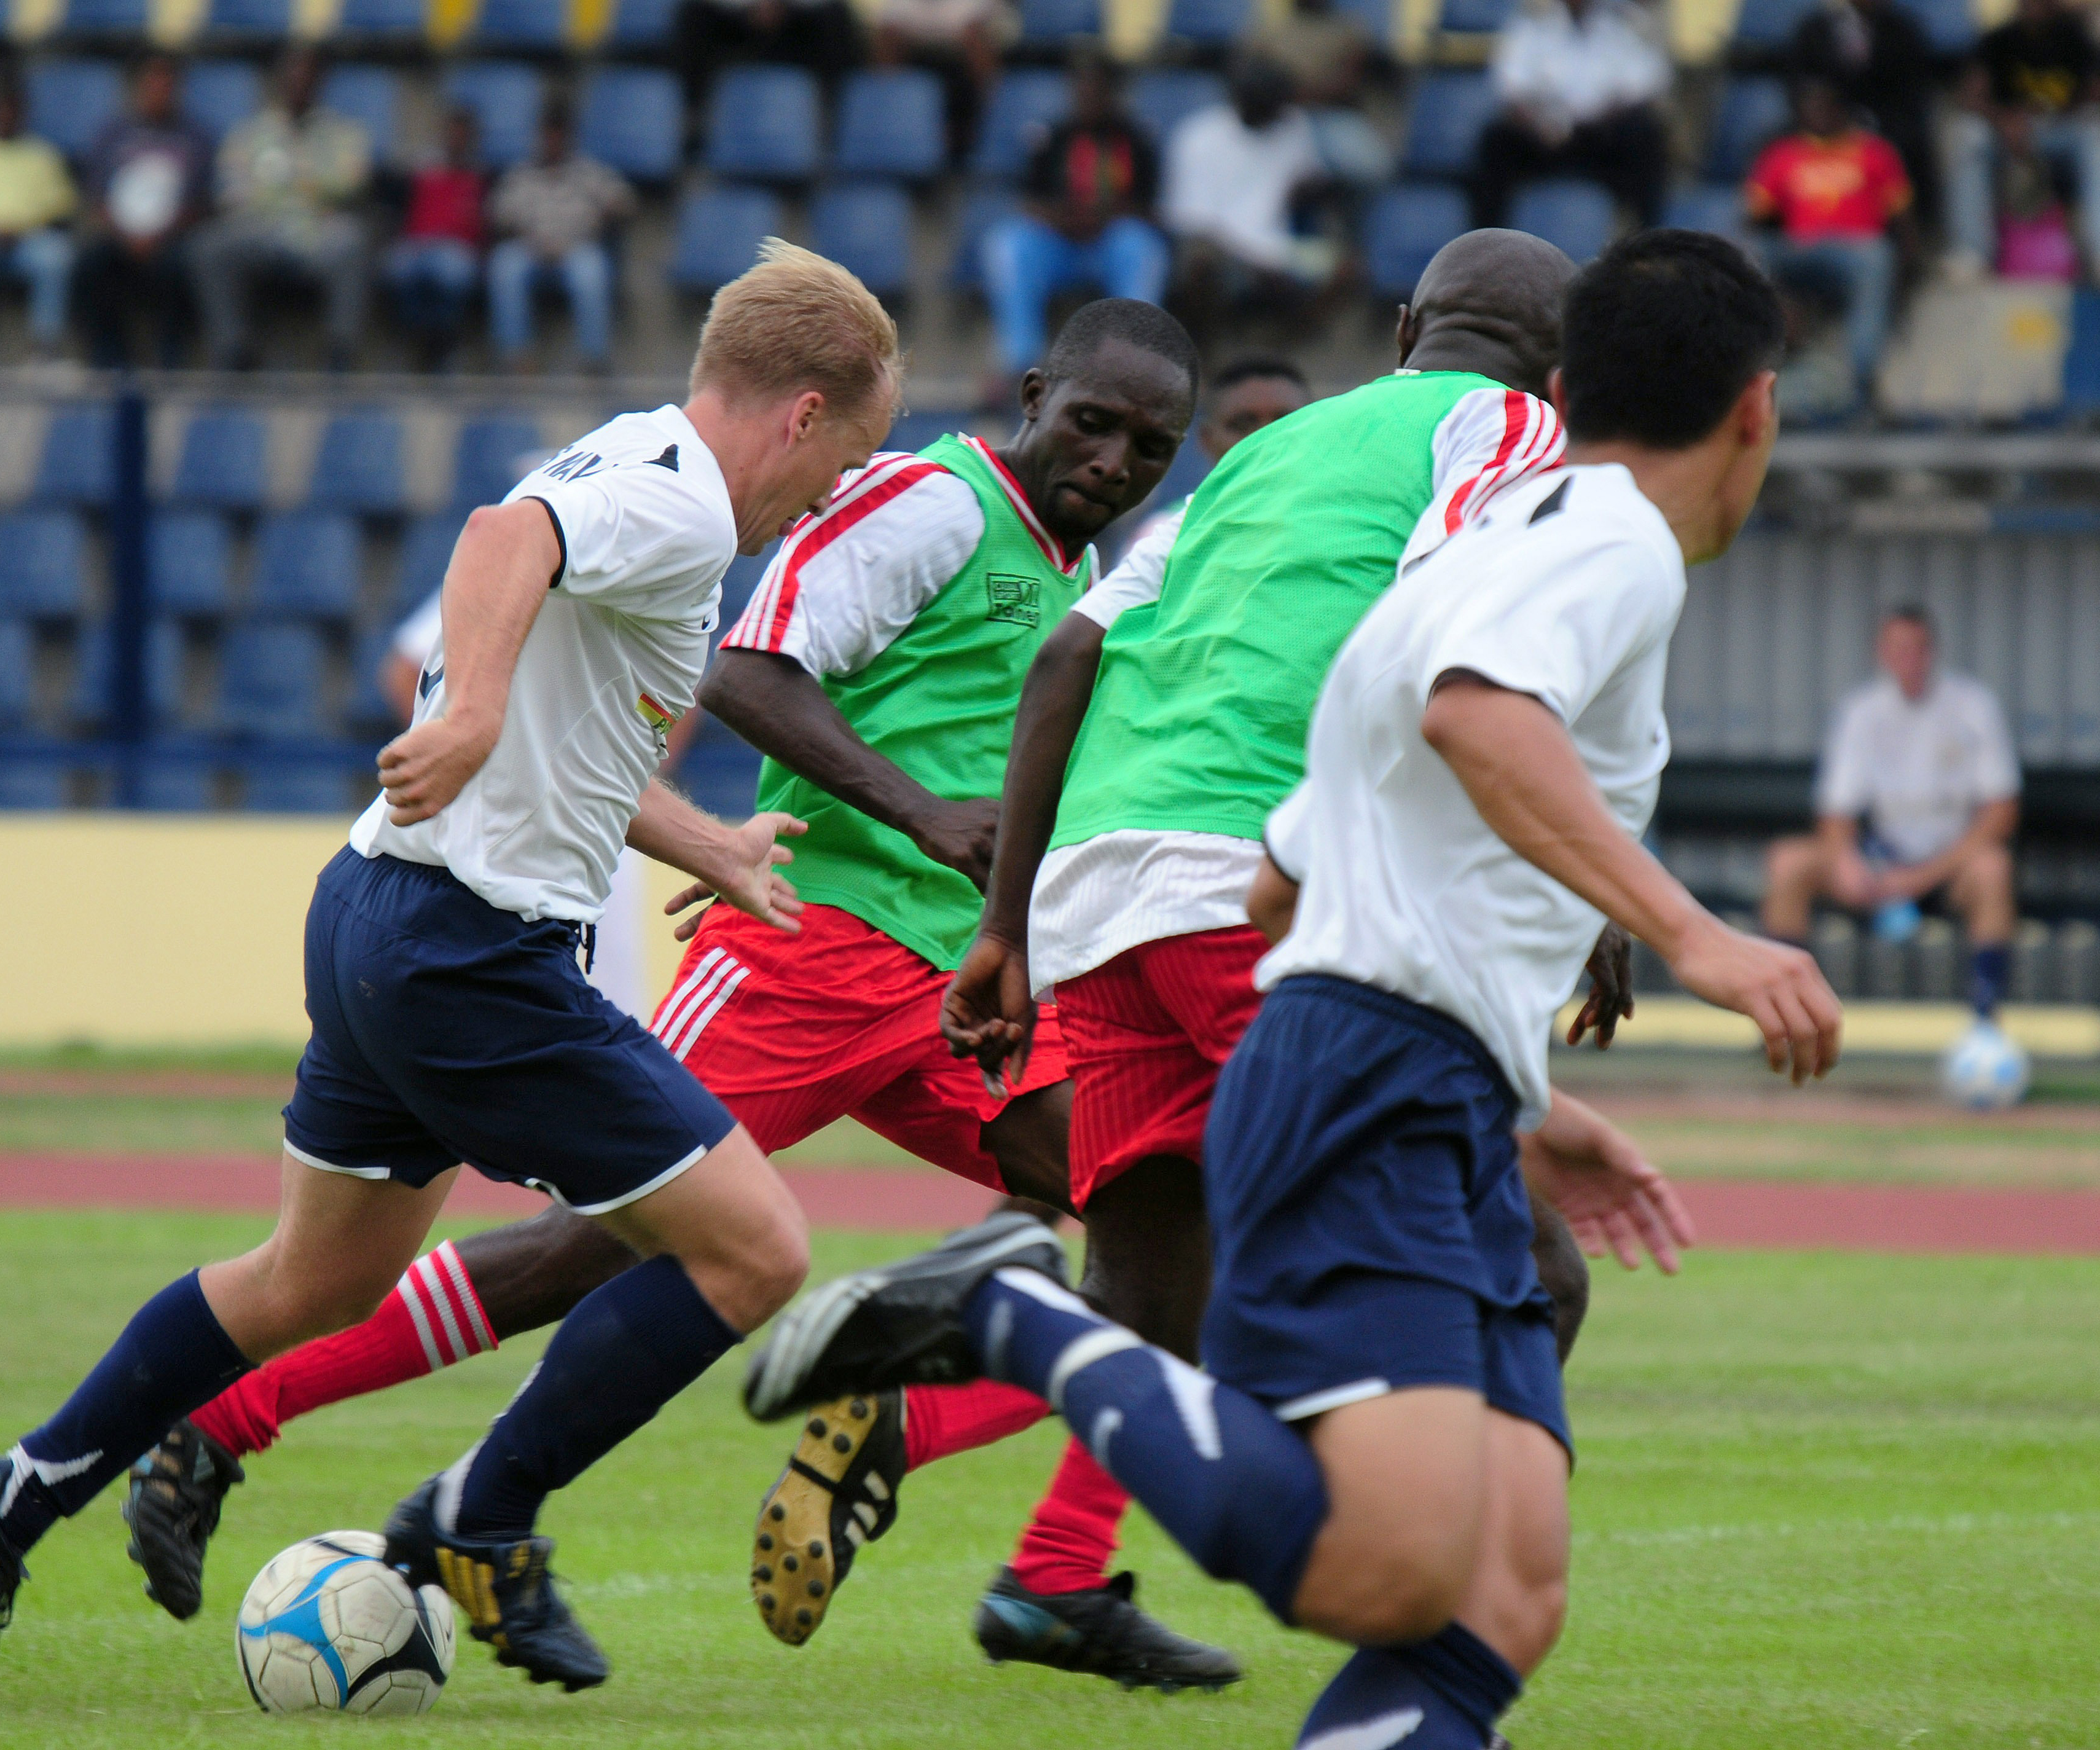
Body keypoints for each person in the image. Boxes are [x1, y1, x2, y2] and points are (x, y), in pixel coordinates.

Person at [744, 227, 1845, 1750]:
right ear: (1750, 410)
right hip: (1263, 931)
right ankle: (1005, 1314)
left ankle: (1058, 1551)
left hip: (1111, 892)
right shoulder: (1536, 462)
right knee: (1460, 1406)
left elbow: (1078, 653)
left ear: (1406, 326)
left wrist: (1012, 926)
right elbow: (1462, 684)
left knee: (1203, 1340)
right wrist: (1677, 926)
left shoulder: (1277, 450)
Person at [119, 300, 1239, 1693]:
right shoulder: (933, 502)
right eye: (1094, 421)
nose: (1117, 457)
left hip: (959, 984)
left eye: (1150, 443)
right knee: (594, 1248)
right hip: (811, 953)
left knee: (1161, 1234)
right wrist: (913, 813)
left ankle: (939, 1468)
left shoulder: (1078, 564)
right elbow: (753, 671)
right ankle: (230, 1417)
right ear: (1034, 394)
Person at [0, 241, 903, 1695]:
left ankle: (18, 1496)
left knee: (313, 1278)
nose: (824, 498)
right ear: (801, 414)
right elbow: (502, 533)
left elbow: (584, 727)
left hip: (375, 913)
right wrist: (470, 701)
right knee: (757, 1248)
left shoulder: (641, 457)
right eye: (839, 464)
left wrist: (710, 845)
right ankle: (484, 1516)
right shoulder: (678, 504)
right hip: (472, 953)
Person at [1763, 603, 2021, 1020]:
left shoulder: (1974, 705)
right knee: (1787, 861)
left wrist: (1920, 877)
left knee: (1993, 868)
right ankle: (1788, 1015)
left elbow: (2001, 813)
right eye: (1899, 649)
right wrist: (1847, 861)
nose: (1910, 660)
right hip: (1880, 865)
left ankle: (1986, 1023)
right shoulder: (1861, 711)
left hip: (1948, 867)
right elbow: (1835, 811)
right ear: (1881, 653)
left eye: (1918, 649)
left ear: (1933, 651)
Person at [981, 55, 1169, 394]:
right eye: (1082, 90)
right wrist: (1068, 219)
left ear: (1114, 93)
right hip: (1060, 246)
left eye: (1097, 91)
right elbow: (1030, 203)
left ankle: (1133, 362)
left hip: (1110, 245)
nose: (1088, 98)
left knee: (1141, 245)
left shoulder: (1137, 140)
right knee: (1009, 243)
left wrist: (1103, 217)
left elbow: (1153, 210)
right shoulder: (1054, 137)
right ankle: (1018, 361)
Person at [190, 45, 372, 371]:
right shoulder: (249, 134)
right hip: (262, 231)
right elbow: (231, 192)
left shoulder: (345, 134)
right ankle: (234, 351)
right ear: (279, 79)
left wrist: (285, 184)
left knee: (354, 241)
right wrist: (305, 187)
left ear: (320, 81)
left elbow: (351, 183)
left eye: (307, 74)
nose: (299, 81)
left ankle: (340, 353)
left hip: (319, 232)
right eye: (293, 73)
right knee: (211, 245)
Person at [1744, 77, 1915, 409]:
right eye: (1811, 106)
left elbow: (1903, 220)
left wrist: (1907, 268)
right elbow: (1753, 217)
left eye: (1826, 106)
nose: (1818, 113)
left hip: (1857, 250)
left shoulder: (1874, 152)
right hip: (1798, 249)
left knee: (1879, 257)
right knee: (1749, 255)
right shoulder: (1783, 154)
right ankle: (1753, 368)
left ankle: (1861, 378)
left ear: (1842, 111)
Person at [1161, 57, 1338, 335]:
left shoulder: (1292, 125)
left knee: (1348, 268)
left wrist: (1311, 188)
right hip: (1223, 250)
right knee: (1200, 264)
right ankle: (1204, 352)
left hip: (1277, 247)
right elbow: (1191, 223)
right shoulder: (1199, 136)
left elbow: (1311, 180)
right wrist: (1254, 264)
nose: (1279, 113)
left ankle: (1287, 343)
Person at [1473, 0, 1671, 230]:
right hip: (1543, 137)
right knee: (1496, 137)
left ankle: (1647, 237)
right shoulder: (1533, 23)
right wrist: (1540, 124)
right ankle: (1487, 237)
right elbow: (1511, 86)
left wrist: (1598, 119)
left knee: (1646, 134)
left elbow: (1645, 84)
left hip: (1602, 137)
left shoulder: (1624, 22)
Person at [73, 55, 213, 369]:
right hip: (120, 236)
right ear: (138, 87)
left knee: (187, 265)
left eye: (167, 85)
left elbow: (203, 203)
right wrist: (126, 235)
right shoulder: (112, 135)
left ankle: (170, 357)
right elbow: (96, 198)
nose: (159, 91)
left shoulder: (196, 138)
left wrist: (162, 234)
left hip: (172, 237)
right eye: (152, 84)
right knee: (89, 263)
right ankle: (108, 359)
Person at [1947, 0, 2100, 281]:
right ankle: (1972, 253)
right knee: (1969, 134)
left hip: (2060, 132)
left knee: (2096, 135)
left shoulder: (2075, 37)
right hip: (2005, 131)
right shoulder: (1999, 39)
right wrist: (2005, 118)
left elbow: (2093, 92)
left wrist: (2058, 111)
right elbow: (1969, 98)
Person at [487, 97, 635, 374]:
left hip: (576, 249)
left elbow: (624, 202)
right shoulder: (522, 174)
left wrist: (605, 213)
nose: (552, 142)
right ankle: (516, 358)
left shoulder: (589, 172)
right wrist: (526, 235)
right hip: (531, 249)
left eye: (558, 135)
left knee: (591, 271)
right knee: (505, 264)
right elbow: (499, 215)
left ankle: (594, 359)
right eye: (547, 135)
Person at [1789, 0, 1940, 227]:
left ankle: (1907, 230)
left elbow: (1911, 94)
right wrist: (1832, 118)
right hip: (1824, 119)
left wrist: (1867, 124)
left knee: (1908, 147)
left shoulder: (1903, 31)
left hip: (1886, 124)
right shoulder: (1816, 29)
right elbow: (1801, 84)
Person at [385, 105, 487, 372]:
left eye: (462, 134)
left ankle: (442, 341)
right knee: (398, 268)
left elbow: (479, 229)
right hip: (418, 246)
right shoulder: (424, 172)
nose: (457, 139)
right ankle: (423, 336)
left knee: (452, 272)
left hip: (456, 250)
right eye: (452, 133)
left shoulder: (478, 176)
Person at [870, 0, 1012, 163]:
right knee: (888, 39)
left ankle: (979, 130)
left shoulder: (976, 6)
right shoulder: (899, 6)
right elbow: (889, 29)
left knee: (977, 42)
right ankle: (892, 125)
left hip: (962, 87)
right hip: (918, 72)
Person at [0, 78, 77, 359]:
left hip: (28, 241)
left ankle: (46, 350)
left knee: (56, 257)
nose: (4, 116)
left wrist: (21, 230)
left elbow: (61, 211)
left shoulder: (43, 155)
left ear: (21, 112)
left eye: (9, 109)